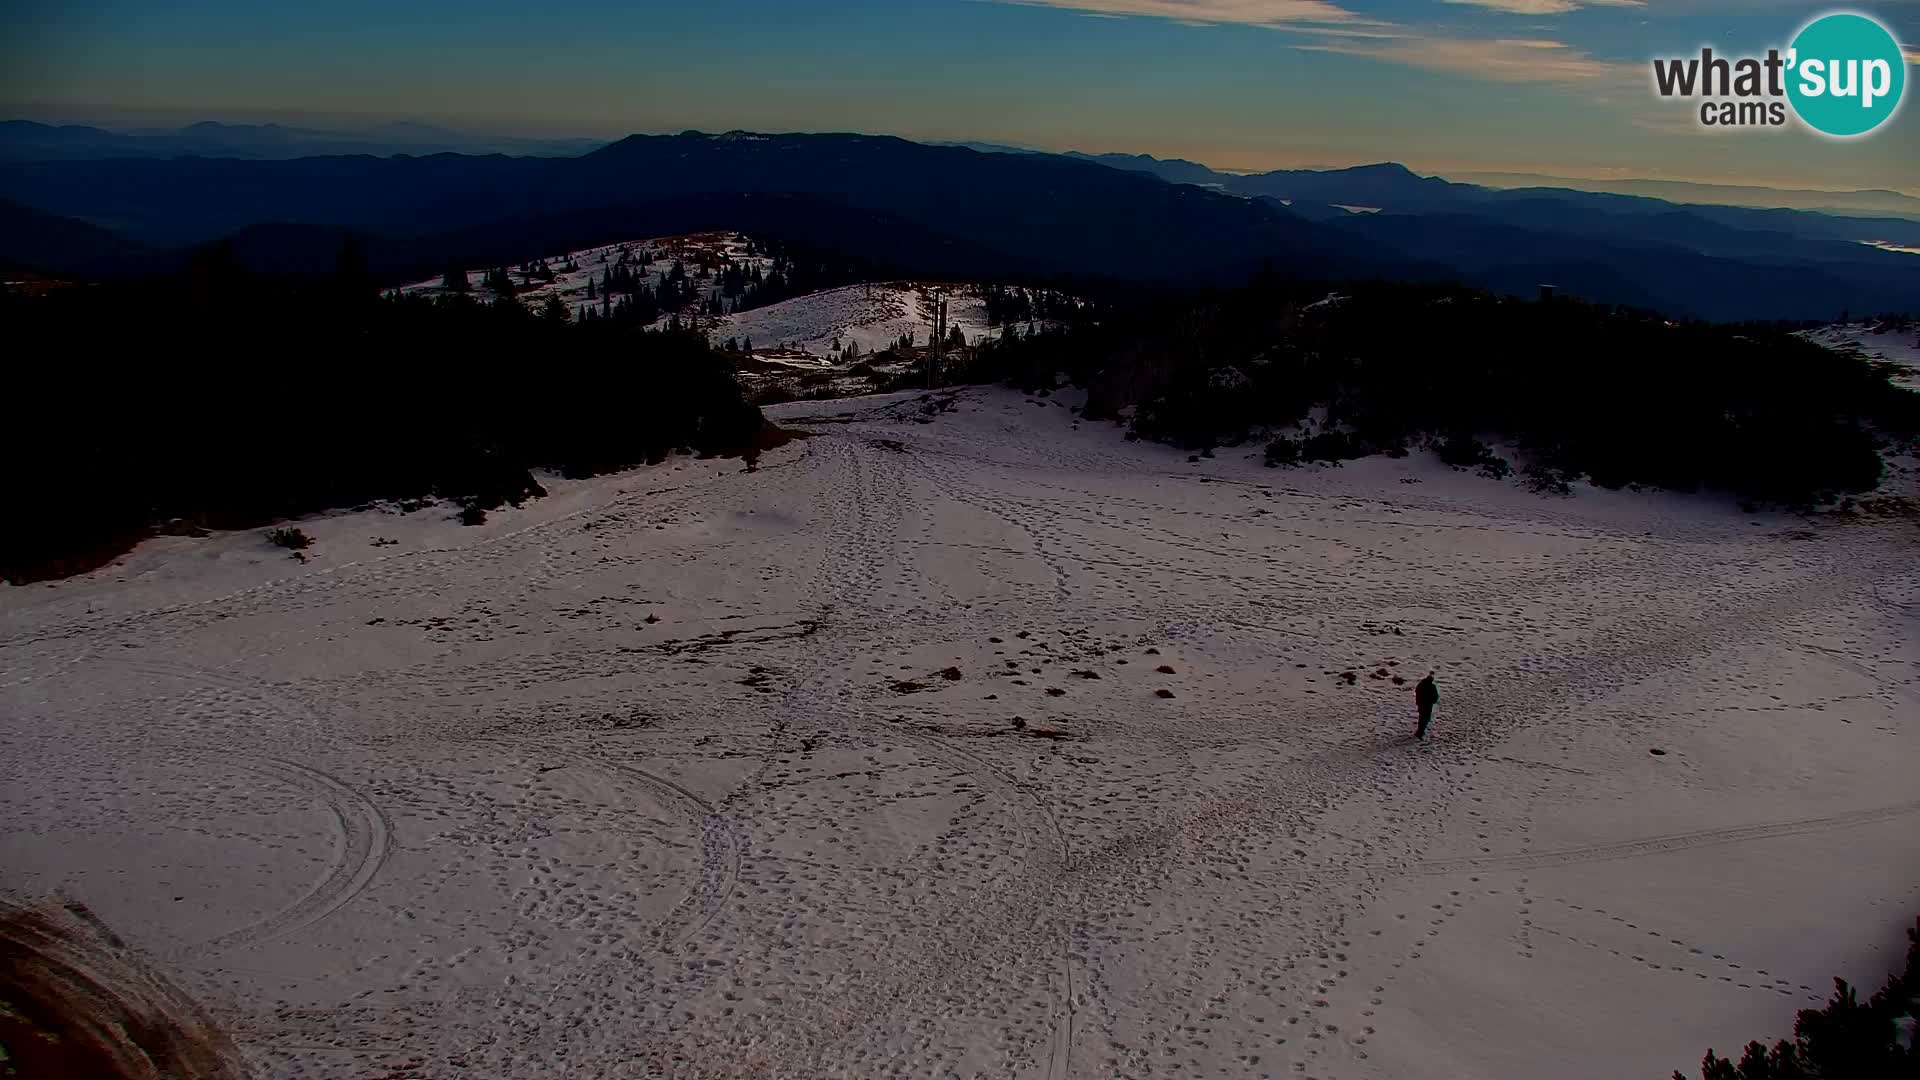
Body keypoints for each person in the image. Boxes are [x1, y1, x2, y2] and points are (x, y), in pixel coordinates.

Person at [1414, 672, 1439, 739]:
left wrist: (1418, 702)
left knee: (1421, 718)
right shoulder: (1432, 686)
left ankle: (1419, 731)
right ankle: (1420, 732)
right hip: (1427, 705)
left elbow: (1417, 692)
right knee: (1425, 719)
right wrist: (1433, 701)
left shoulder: (1420, 685)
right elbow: (1435, 696)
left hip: (1421, 705)